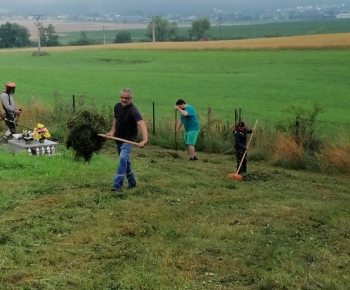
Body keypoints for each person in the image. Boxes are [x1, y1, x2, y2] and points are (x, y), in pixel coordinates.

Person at [106, 88, 148, 191]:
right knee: (125, 161)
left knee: (122, 159)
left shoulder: (133, 110)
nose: (124, 100)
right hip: (118, 138)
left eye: (127, 98)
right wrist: (112, 132)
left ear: (131, 98)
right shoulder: (117, 106)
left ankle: (117, 186)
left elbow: (141, 124)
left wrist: (144, 140)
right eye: (122, 97)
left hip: (128, 140)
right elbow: (116, 119)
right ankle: (132, 181)